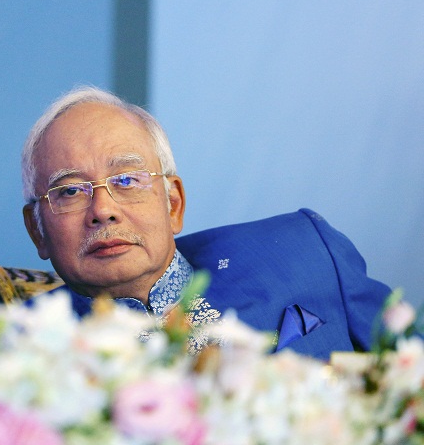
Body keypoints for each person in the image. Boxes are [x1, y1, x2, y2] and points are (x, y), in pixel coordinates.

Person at [21, 86, 390, 360]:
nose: (103, 210)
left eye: (127, 180)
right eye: (69, 192)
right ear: (37, 230)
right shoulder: (23, 351)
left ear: (173, 203)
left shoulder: (305, 253)